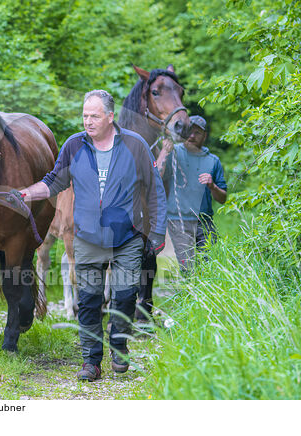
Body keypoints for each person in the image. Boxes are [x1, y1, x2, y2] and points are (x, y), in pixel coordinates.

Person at [17, 90, 167, 381]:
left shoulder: (135, 146)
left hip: (128, 237)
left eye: (94, 116)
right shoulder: (74, 145)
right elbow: (54, 181)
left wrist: (157, 233)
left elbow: (155, 191)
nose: (88, 121)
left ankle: (119, 346)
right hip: (87, 238)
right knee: (88, 301)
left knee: (124, 298)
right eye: (85, 115)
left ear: (110, 117)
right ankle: (91, 362)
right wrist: (27, 192)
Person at [156, 115, 227, 272]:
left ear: (205, 136)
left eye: (197, 132)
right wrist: (164, 151)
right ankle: (190, 293)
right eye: (189, 131)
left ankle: (207, 296)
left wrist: (212, 186)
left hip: (205, 221)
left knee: (210, 265)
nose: (192, 136)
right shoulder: (173, 153)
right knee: (188, 267)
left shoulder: (213, 161)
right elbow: (156, 177)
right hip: (178, 221)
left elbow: (223, 198)